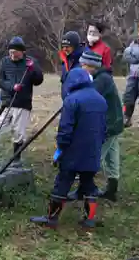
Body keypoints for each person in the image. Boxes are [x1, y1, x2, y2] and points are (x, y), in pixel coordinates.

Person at [30, 68, 107, 229]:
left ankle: (52, 218)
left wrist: (60, 149)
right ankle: (89, 219)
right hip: (93, 149)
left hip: (73, 150)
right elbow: (103, 127)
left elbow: (65, 129)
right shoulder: (100, 99)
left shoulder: (72, 100)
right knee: (88, 183)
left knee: (63, 182)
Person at [67, 51, 124, 202]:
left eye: (84, 65)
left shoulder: (101, 80)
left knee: (94, 157)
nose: (81, 67)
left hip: (109, 124)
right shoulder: (101, 77)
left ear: (93, 66)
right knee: (112, 156)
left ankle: (83, 191)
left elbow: (88, 99)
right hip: (115, 122)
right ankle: (112, 191)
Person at [0, 36, 44, 166]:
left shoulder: (31, 62)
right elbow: (0, 80)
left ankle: (16, 160)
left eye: (14, 52)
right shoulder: (4, 62)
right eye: (10, 52)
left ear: (22, 52)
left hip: (22, 104)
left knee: (19, 133)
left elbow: (39, 80)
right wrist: (12, 87)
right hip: (6, 103)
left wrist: (33, 69)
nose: (12, 55)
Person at [59, 31, 86, 98]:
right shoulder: (66, 61)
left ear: (75, 46)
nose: (65, 49)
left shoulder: (84, 61)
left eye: (67, 47)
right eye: (63, 46)